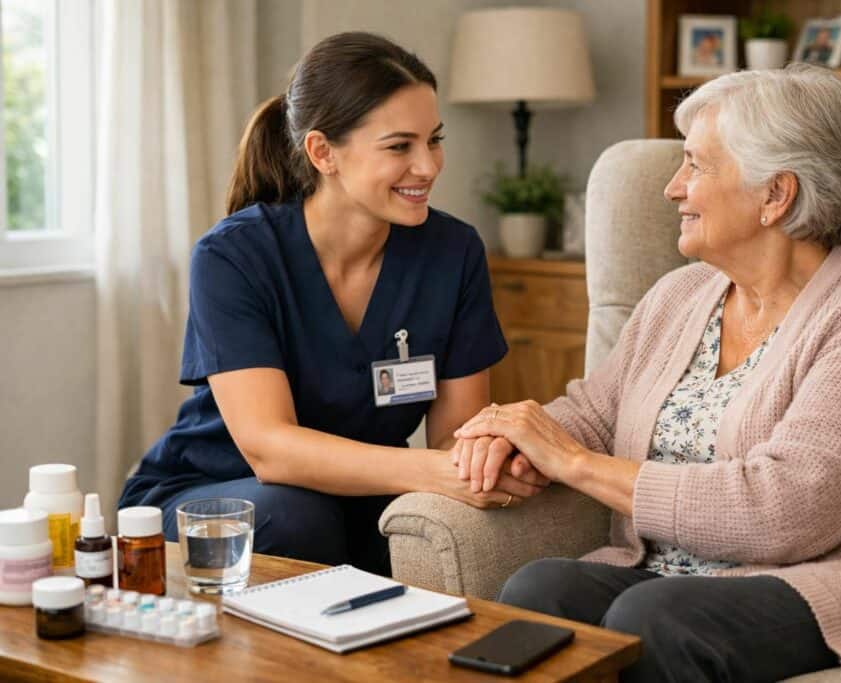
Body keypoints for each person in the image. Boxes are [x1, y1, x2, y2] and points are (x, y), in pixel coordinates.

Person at [451, 65, 841, 682]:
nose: (673, 189)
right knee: (541, 590)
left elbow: (785, 512)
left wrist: (572, 462)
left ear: (775, 195)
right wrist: (515, 434)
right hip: (670, 577)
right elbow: (595, 413)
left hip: (824, 574)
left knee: (654, 618)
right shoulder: (681, 295)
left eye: (697, 166)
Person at [118, 32, 547, 571]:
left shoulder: (453, 252)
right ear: (323, 153)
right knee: (299, 514)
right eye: (399, 146)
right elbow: (269, 448)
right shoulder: (233, 256)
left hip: (360, 496)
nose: (429, 166)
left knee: (448, 520)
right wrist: (441, 475)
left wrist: (484, 468)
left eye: (433, 140)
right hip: (216, 490)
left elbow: (453, 439)